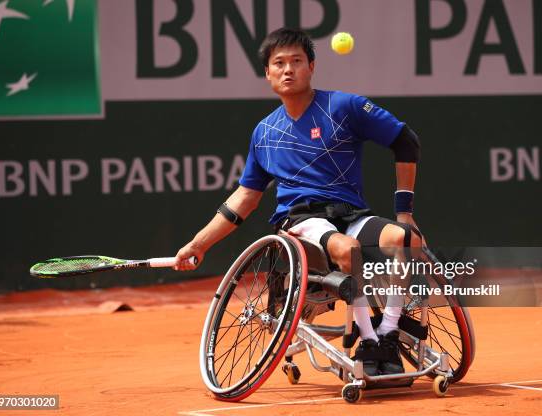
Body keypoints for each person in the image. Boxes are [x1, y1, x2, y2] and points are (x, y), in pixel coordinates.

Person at [174, 27, 424, 376]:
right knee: (347, 249)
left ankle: (387, 331)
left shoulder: (345, 107)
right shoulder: (264, 133)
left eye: (296, 61)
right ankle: (368, 340)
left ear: (312, 67)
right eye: (279, 63)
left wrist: (404, 213)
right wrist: (198, 243)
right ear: (268, 73)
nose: (288, 69)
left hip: (352, 214)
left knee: (406, 240)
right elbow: (245, 198)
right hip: (302, 222)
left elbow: (406, 141)